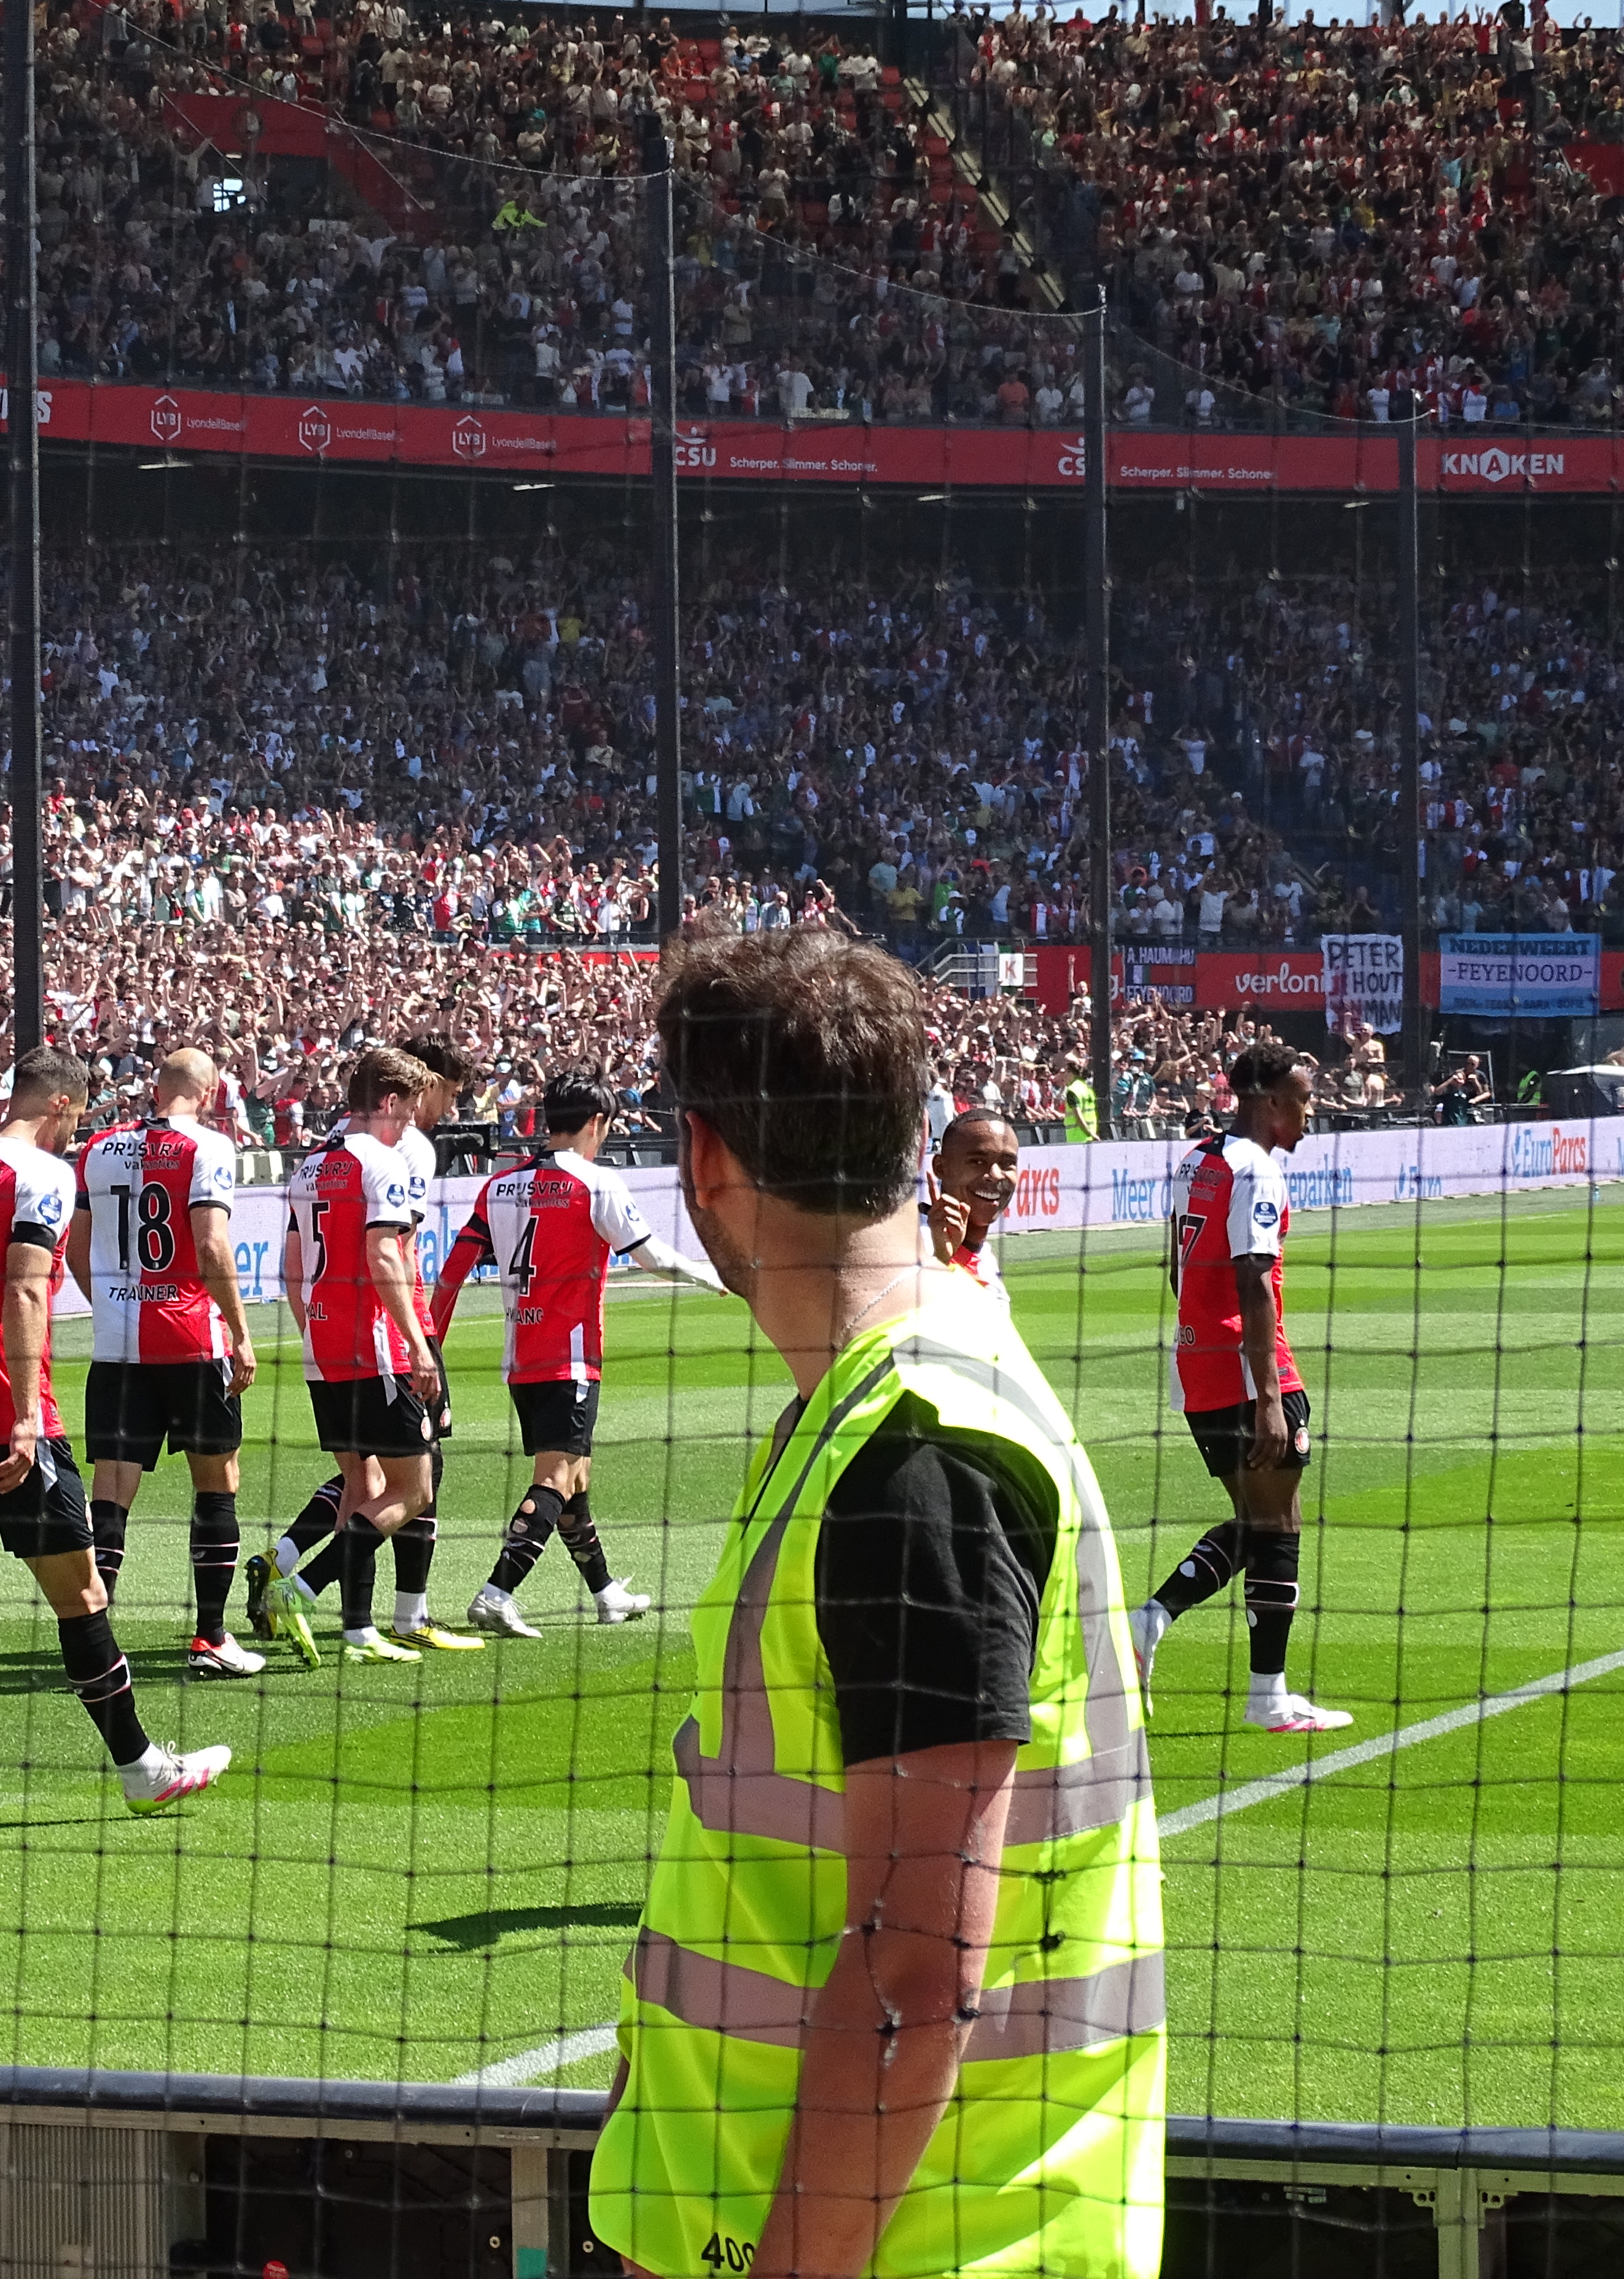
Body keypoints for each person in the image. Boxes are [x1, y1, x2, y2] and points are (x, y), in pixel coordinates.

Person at [589, 928, 1163, 2278]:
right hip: (804, 2209)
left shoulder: (913, 1448)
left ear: (709, 1158)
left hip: (923, 2241)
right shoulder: (877, 1402)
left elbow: (916, 1985)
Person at [0, 1045, 230, 1839]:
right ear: (61, 1106)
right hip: (6, 1427)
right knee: (84, 1601)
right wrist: (26, 1418)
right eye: (80, 1116)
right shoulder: (46, 1176)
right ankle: (142, 1772)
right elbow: (27, 1285)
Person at [432, 1072, 722, 1640]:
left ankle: (607, 1593)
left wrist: (432, 1345)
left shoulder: (500, 1186)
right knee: (559, 1477)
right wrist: (715, 1277)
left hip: (521, 1356)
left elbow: (454, 1268)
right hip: (569, 1356)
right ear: (596, 1124)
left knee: (575, 1477)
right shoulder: (596, 1183)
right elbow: (652, 1257)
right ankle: (497, 1592)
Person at [1131, 1043, 1349, 1732]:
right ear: (1272, 1102)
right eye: (1305, 1099)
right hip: (1253, 1372)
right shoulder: (1258, 1171)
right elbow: (1255, 1280)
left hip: (1197, 1367)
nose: (1312, 1111)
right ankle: (1269, 1698)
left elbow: (1177, 1265)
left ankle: (1153, 1619)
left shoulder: (1198, 1158)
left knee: (1257, 1525)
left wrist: (1203, 1334)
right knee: (1279, 1527)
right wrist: (1266, 1397)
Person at [249, 1038, 483, 1656]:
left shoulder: (310, 1166)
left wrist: (313, 1331)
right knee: (414, 1489)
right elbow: (386, 1255)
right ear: (386, 1101)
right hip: (375, 1347)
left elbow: (293, 1269)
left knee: (359, 1488)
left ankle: (358, 1630)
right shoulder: (380, 1165)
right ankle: (297, 1590)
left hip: (322, 1347)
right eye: (406, 1111)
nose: (409, 1125)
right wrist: (419, 1346)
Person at [69, 1046, 265, 1679]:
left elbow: (74, 1251)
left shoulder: (99, 1149)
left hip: (118, 1349)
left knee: (112, 1493)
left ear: (158, 1089)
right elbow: (210, 1244)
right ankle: (211, 1637)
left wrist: (113, 1306)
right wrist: (239, 1331)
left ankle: (92, 1641)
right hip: (189, 1341)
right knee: (217, 1482)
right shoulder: (208, 1147)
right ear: (206, 1093)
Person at [927, 1106, 1024, 1302]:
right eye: (978, 1162)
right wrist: (940, 1260)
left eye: (1007, 1163)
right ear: (940, 1167)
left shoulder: (986, 1259)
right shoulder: (918, 1243)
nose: (996, 1176)